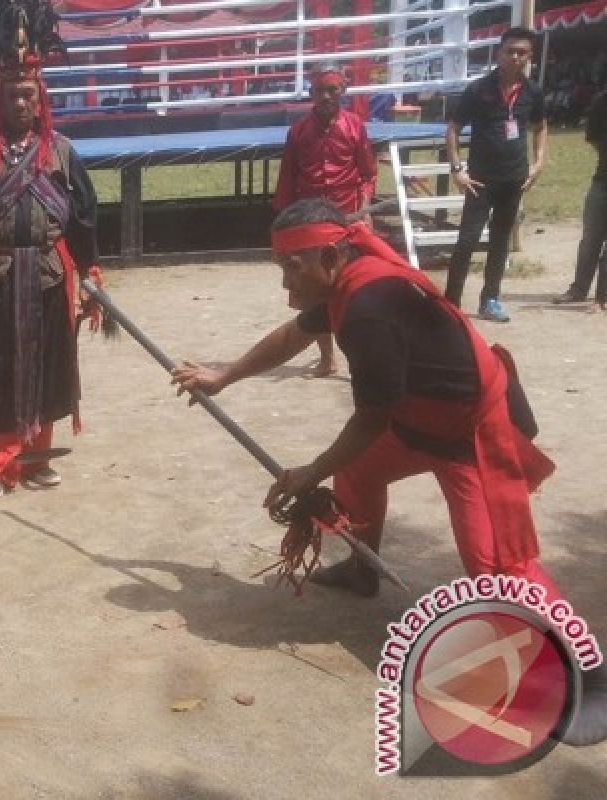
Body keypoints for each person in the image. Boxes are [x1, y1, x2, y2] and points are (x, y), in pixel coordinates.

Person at [172, 197, 607, 747]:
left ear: (331, 255)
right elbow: (293, 337)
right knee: (355, 479)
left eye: (293, 266)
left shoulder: (369, 307)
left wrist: (308, 473)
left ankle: (588, 676)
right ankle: (361, 571)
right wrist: (225, 374)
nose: (287, 280)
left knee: (498, 570)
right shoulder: (343, 285)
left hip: (468, 434)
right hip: (416, 422)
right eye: (282, 265)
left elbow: (369, 422)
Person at [0, 0, 100, 501]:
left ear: (40, 96)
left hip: (50, 275)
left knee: (50, 365)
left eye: (29, 95)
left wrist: (91, 270)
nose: (21, 104)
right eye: (13, 96)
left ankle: (35, 462)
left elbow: (85, 215)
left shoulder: (62, 151)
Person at [272, 67, 377, 378]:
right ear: (311, 94)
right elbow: (288, 179)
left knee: (355, 288)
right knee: (313, 292)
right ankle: (327, 358)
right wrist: (285, 226)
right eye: (320, 91)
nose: (327, 96)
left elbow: (367, 174)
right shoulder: (298, 131)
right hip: (309, 223)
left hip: (346, 218)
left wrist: (365, 210)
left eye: (333, 90)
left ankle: (361, 356)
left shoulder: (354, 127)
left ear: (342, 91)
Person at [444, 27, 548, 323]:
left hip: (514, 179)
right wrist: (457, 169)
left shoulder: (533, 91)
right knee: (467, 240)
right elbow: (453, 128)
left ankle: (490, 299)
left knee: (500, 240)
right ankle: (451, 303)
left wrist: (538, 163)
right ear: (498, 53)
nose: (515, 57)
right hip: (480, 179)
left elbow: (541, 127)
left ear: (530, 56)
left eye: (522, 52)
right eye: (510, 51)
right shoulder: (478, 90)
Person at [552, 90, 607, 311]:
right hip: (602, 180)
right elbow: (593, 138)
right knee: (590, 239)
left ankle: (602, 296)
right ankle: (578, 289)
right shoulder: (601, 102)